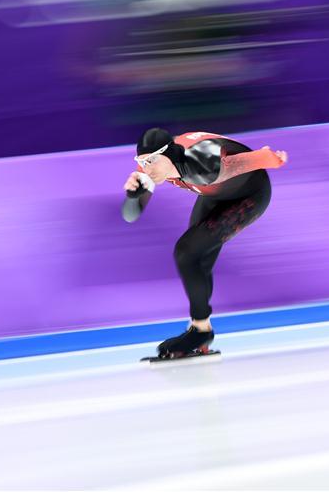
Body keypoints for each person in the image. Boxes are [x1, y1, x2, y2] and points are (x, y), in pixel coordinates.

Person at [122, 128, 287, 357]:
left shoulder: (202, 160)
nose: (146, 168)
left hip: (249, 195)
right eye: (141, 162)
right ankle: (201, 331)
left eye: (150, 161)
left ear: (168, 154)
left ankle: (200, 330)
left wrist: (271, 157)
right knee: (196, 261)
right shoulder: (151, 168)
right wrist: (133, 197)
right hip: (214, 194)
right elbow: (131, 215)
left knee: (186, 252)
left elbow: (256, 160)